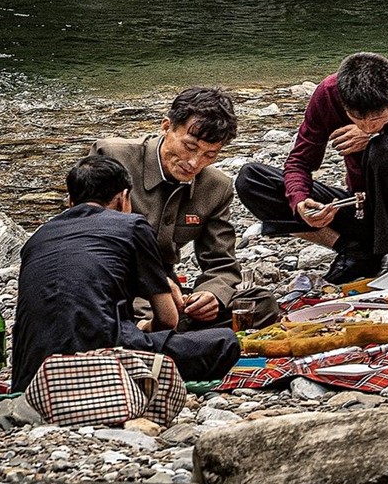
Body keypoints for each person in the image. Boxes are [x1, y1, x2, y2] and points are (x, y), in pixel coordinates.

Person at [10, 154, 239, 392]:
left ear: (70, 201)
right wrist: (146, 327)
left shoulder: (38, 238)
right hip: (103, 362)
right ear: (124, 199)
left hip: (31, 372)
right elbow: (168, 319)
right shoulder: (132, 226)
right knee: (224, 342)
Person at [235, 52, 388, 281]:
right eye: (359, 119)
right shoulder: (328, 94)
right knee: (251, 179)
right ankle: (353, 250)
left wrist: (377, 136)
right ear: (342, 103)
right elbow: (299, 162)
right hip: (362, 208)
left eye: (378, 118)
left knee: (385, 148)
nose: (368, 126)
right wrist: (300, 202)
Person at [96, 86, 272, 329]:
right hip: (115, 291)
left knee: (260, 304)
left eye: (210, 155)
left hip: (172, 300)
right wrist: (152, 285)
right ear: (166, 127)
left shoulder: (216, 187)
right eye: (189, 147)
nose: (194, 163)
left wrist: (212, 295)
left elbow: (222, 264)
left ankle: (160, 335)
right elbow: (85, 239)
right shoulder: (112, 156)